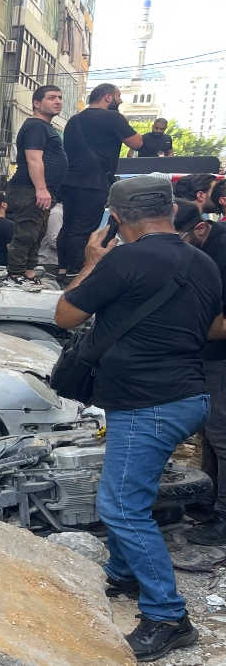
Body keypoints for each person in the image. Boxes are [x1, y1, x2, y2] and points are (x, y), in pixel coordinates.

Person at [55, 176, 221, 662]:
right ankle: (124, 574)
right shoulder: (203, 262)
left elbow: (65, 314)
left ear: (116, 217)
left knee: (122, 506)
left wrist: (90, 263)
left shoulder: (124, 258)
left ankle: (168, 616)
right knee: (132, 490)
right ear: (171, 210)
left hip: (148, 403)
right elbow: (213, 325)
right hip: (185, 395)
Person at [174, 200, 226, 545]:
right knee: (208, 434)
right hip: (203, 353)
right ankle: (206, 502)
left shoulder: (221, 254)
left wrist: (174, 330)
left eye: (178, 239)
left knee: (222, 437)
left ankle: (222, 518)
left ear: (201, 228)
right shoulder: (197, 248)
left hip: (220, 356)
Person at [56, 84, 143, 282]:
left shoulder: (74, 119)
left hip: (69, 181)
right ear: (107, 97)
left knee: (68, 227)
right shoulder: (112, 117)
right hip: (93, 181)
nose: (120, 101)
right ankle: (75, 272)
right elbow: (137, 142)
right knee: (83, 229)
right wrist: (125, 123)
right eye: (118, 96)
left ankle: (63, 269)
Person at [6, 85, 67, 282]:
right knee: (26, 235)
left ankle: (28, 272)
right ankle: (15, 274)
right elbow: (33, 159)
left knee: (36, 234)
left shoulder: (44, 127)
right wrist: (41, 189)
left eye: (59, 97)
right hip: (29, 190)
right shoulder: (36, 126)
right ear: (36, 103)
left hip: (38, 192)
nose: (57, 101)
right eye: (51, 98)